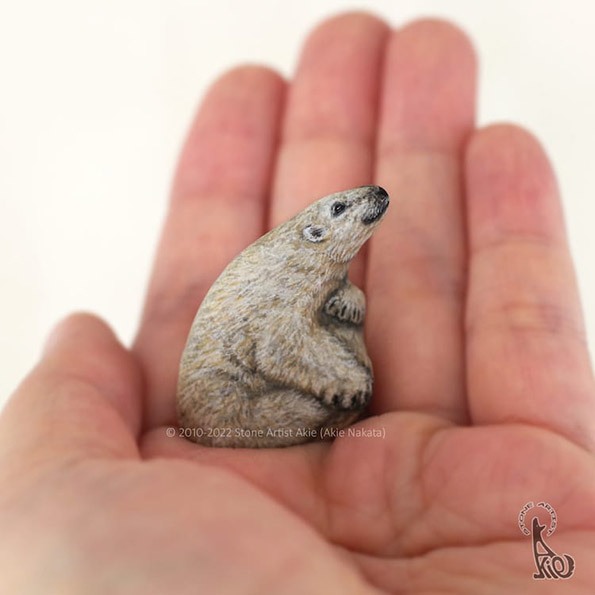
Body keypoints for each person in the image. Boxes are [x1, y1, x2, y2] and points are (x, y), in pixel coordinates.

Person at [1, 12, 593, 593]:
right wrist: (339, 381)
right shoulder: (283, 278)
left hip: (274, 381)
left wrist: (347, 308)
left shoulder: (316, 269)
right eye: (342, 211)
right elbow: (279, 348)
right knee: (340, 384)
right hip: (231, 409)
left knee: (344, 353)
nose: (363, 205)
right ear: (313, 234)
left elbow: (318, 309)